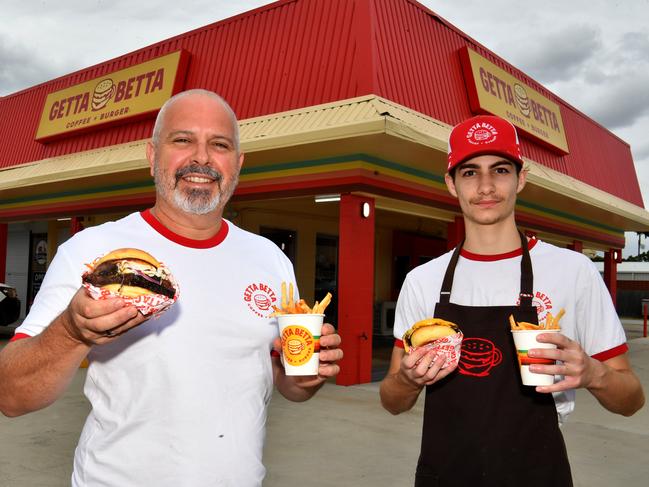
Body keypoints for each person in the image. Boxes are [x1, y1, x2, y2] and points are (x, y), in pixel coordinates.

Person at [0, 89, 343, 486]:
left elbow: (286, 383)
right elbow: (11, 395)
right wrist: (71, 331)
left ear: (239, 163)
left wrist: (303, 377)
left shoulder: (271, 259)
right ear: (151, 156)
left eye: (219, 144)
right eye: (183, 140)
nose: (202, 158)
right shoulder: (93, 253)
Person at [379, 114, 644, 486]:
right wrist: (407, 380)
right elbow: (392, 400)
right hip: (445, 474)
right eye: (470, 172)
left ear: (521, 178)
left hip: (538, 473)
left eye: (500, 170)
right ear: (451, 185)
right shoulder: (422, 280)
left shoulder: (573, 271)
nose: (486, 186)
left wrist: (594, 374)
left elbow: (632, 400)